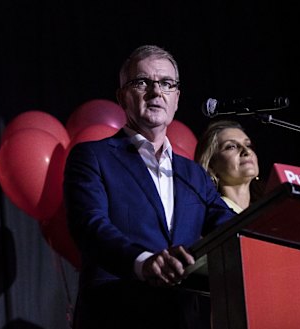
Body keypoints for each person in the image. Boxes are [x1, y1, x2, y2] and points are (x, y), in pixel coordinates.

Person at [63, 44, 237, 329]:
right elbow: (90, 226)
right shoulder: (93, 157)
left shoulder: (194, 175)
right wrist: (143, 262)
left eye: (167, 84)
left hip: (183, 319)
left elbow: (229, 229)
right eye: (142, 82)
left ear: (177, 98)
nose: (156, 92)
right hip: (115, 314)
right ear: (122, 97)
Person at [194, 119, 262, 213]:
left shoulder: (267, 212)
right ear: (211, 165)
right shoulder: (213, 214)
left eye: (248, 145)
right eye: (231, 146)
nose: (247, 151)